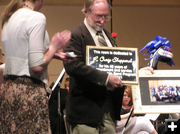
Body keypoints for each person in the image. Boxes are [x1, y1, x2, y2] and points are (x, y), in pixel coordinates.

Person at [0, 0, 71, 133]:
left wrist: (53, 53)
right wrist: (54, 45)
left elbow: (21, 55)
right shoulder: (36, 17)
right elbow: (36, 66)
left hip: (9, 90)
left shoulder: (9, 18)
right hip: (28, 92)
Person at [63, 0, 125, 133]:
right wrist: (106, 78)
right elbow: (72, 65)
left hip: (108, 110)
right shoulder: (75, 35)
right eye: (98, 16)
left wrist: (138, 72)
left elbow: (120, 64)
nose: (102, 21)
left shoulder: (108, 36)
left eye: (106, 16)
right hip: (85, 112)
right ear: (85, 12)